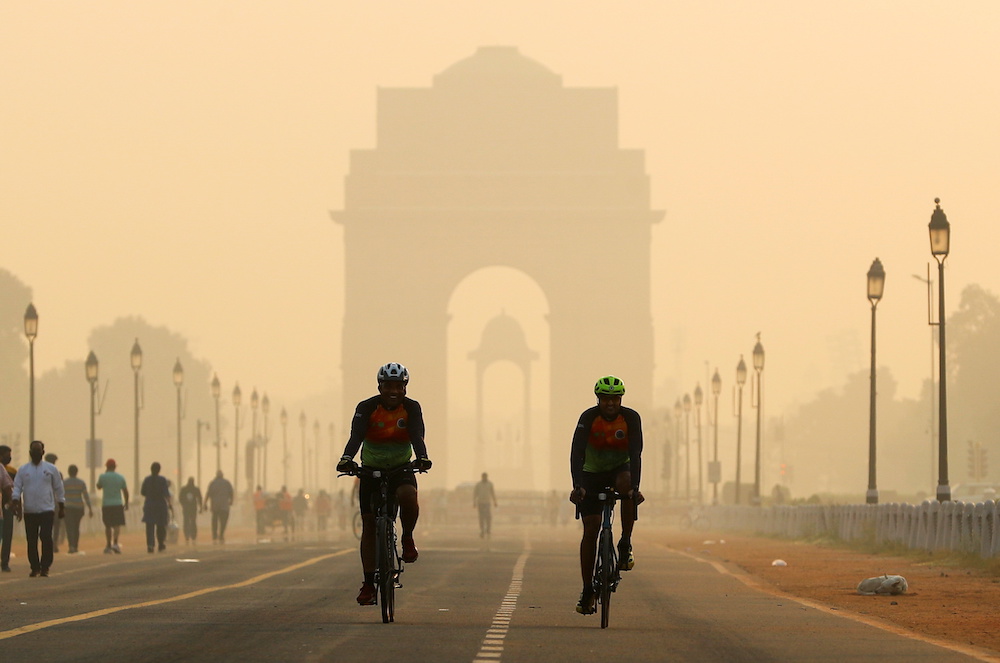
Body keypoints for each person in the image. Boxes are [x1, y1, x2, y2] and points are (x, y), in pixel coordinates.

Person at [336, 362, 432, 606]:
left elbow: (416, 435)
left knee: (409, 495)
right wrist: (347, 458)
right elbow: (356, 436)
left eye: (398, 386)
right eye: (388, 386)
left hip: (401, 467)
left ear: (405, 389)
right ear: (379, 387)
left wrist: (422, 457)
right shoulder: (366, 407)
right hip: (370, 469)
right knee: (369, 525)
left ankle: (407, 537)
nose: (393, 391)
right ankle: (368, 584)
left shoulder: (411, 408)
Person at [569, 375, 644, 615]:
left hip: (619, 471)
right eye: (605, 399)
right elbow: (576, 453)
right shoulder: (588, 418)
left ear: (621, 399)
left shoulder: (631, 418)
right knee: (590, 529)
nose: (611, 403)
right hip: (591, 474)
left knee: (627, 485)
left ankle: (625, 542)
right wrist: (577, 485)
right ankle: (587, 588)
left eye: (615, 399)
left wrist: (635, 488)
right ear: (598, 399)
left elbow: (636, 454)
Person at [10, 441, 65, 577]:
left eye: (38, 450)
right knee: (32, 539)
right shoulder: (23, 470)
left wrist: (62, 505)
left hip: (47, 509)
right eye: (34, 451)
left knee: (46, 536)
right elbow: (17, 487)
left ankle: (45, 566)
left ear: (43, 452)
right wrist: (16, 501)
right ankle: (35, 567)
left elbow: (59, 488)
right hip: (29, 511)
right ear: (30, 453)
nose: (36, 453)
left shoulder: (51, 469)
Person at [97, 458, 129, 554]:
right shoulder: (120, 477)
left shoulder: (102, 476)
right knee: (116, 525)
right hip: (117, 504)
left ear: (106, 466)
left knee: (108, 526)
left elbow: (98, 487)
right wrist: (126, 503)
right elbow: (125, 491)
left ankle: (108, 545)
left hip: (106, 504)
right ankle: (115, 543)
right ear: (115, 467)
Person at [140, 462, 173, 553]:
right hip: (160, 505)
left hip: (149, 505)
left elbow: (142, 492)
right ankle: (161, 544)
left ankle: (150, 545)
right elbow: (166, 494)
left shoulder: (147, 480)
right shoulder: (162, 480)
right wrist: (170, 504)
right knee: (161, 525)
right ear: (159, 470)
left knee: (149, 526)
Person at [62, 464, 92, 554]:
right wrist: (90, 508)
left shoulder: (64, 483)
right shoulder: (81, 483)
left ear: (68, 472)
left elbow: (60, 496)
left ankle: (71, 546)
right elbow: (86, 496)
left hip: (67, 508)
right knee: (76, 527)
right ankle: (75, 546)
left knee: (69, 528)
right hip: (79, 508)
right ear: (76, 472)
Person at [204, 470, 234, 544]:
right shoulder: (227, 483)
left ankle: (214, 534)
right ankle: (221, 534)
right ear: (222, 475)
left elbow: (208, 494)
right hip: (224, 506)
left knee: (214, 520)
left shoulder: (212, 483)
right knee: (223, 521)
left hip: (215, 506)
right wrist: (231, 501)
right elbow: (231, 493)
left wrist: (205, 503)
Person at [44, 453, 65, 552]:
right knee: (55, 525)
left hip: (44, 501)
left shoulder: (40, 472)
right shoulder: (58, 473)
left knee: (47, 525)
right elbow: (60, 490)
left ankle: (49, 544)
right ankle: (53, 544)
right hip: (54, 502)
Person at [0, 445, 16, 572]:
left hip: (7, 506)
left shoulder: (12, 471)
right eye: (7, 455)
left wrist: (15, 504)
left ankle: (4, 562)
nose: (9, 457)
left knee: (7, 534)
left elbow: (14, 489)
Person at [473, 472, 498, 538]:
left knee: (488, 517)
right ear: (482, 477)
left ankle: (488, 529)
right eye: (483, 477)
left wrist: (495, 501)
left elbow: (492, 493)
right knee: (481, 517)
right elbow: (475, 494)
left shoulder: (490, 484)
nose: (484, 478)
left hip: (487, 502)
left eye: (485, 477)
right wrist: (474, 502)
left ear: (487, 477)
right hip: (480, 502)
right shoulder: (478, 485)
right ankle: (482, 530)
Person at [178, 477, 203, 543]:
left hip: (187, 508)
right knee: (192, 522)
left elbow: (180, 498)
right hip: (192, 508)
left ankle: (187, 535)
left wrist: (183, 504)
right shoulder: (195, 489)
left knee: (186, 521)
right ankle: (193, 536)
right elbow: (199, 498)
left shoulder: (184, 489)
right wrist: (200, 507)